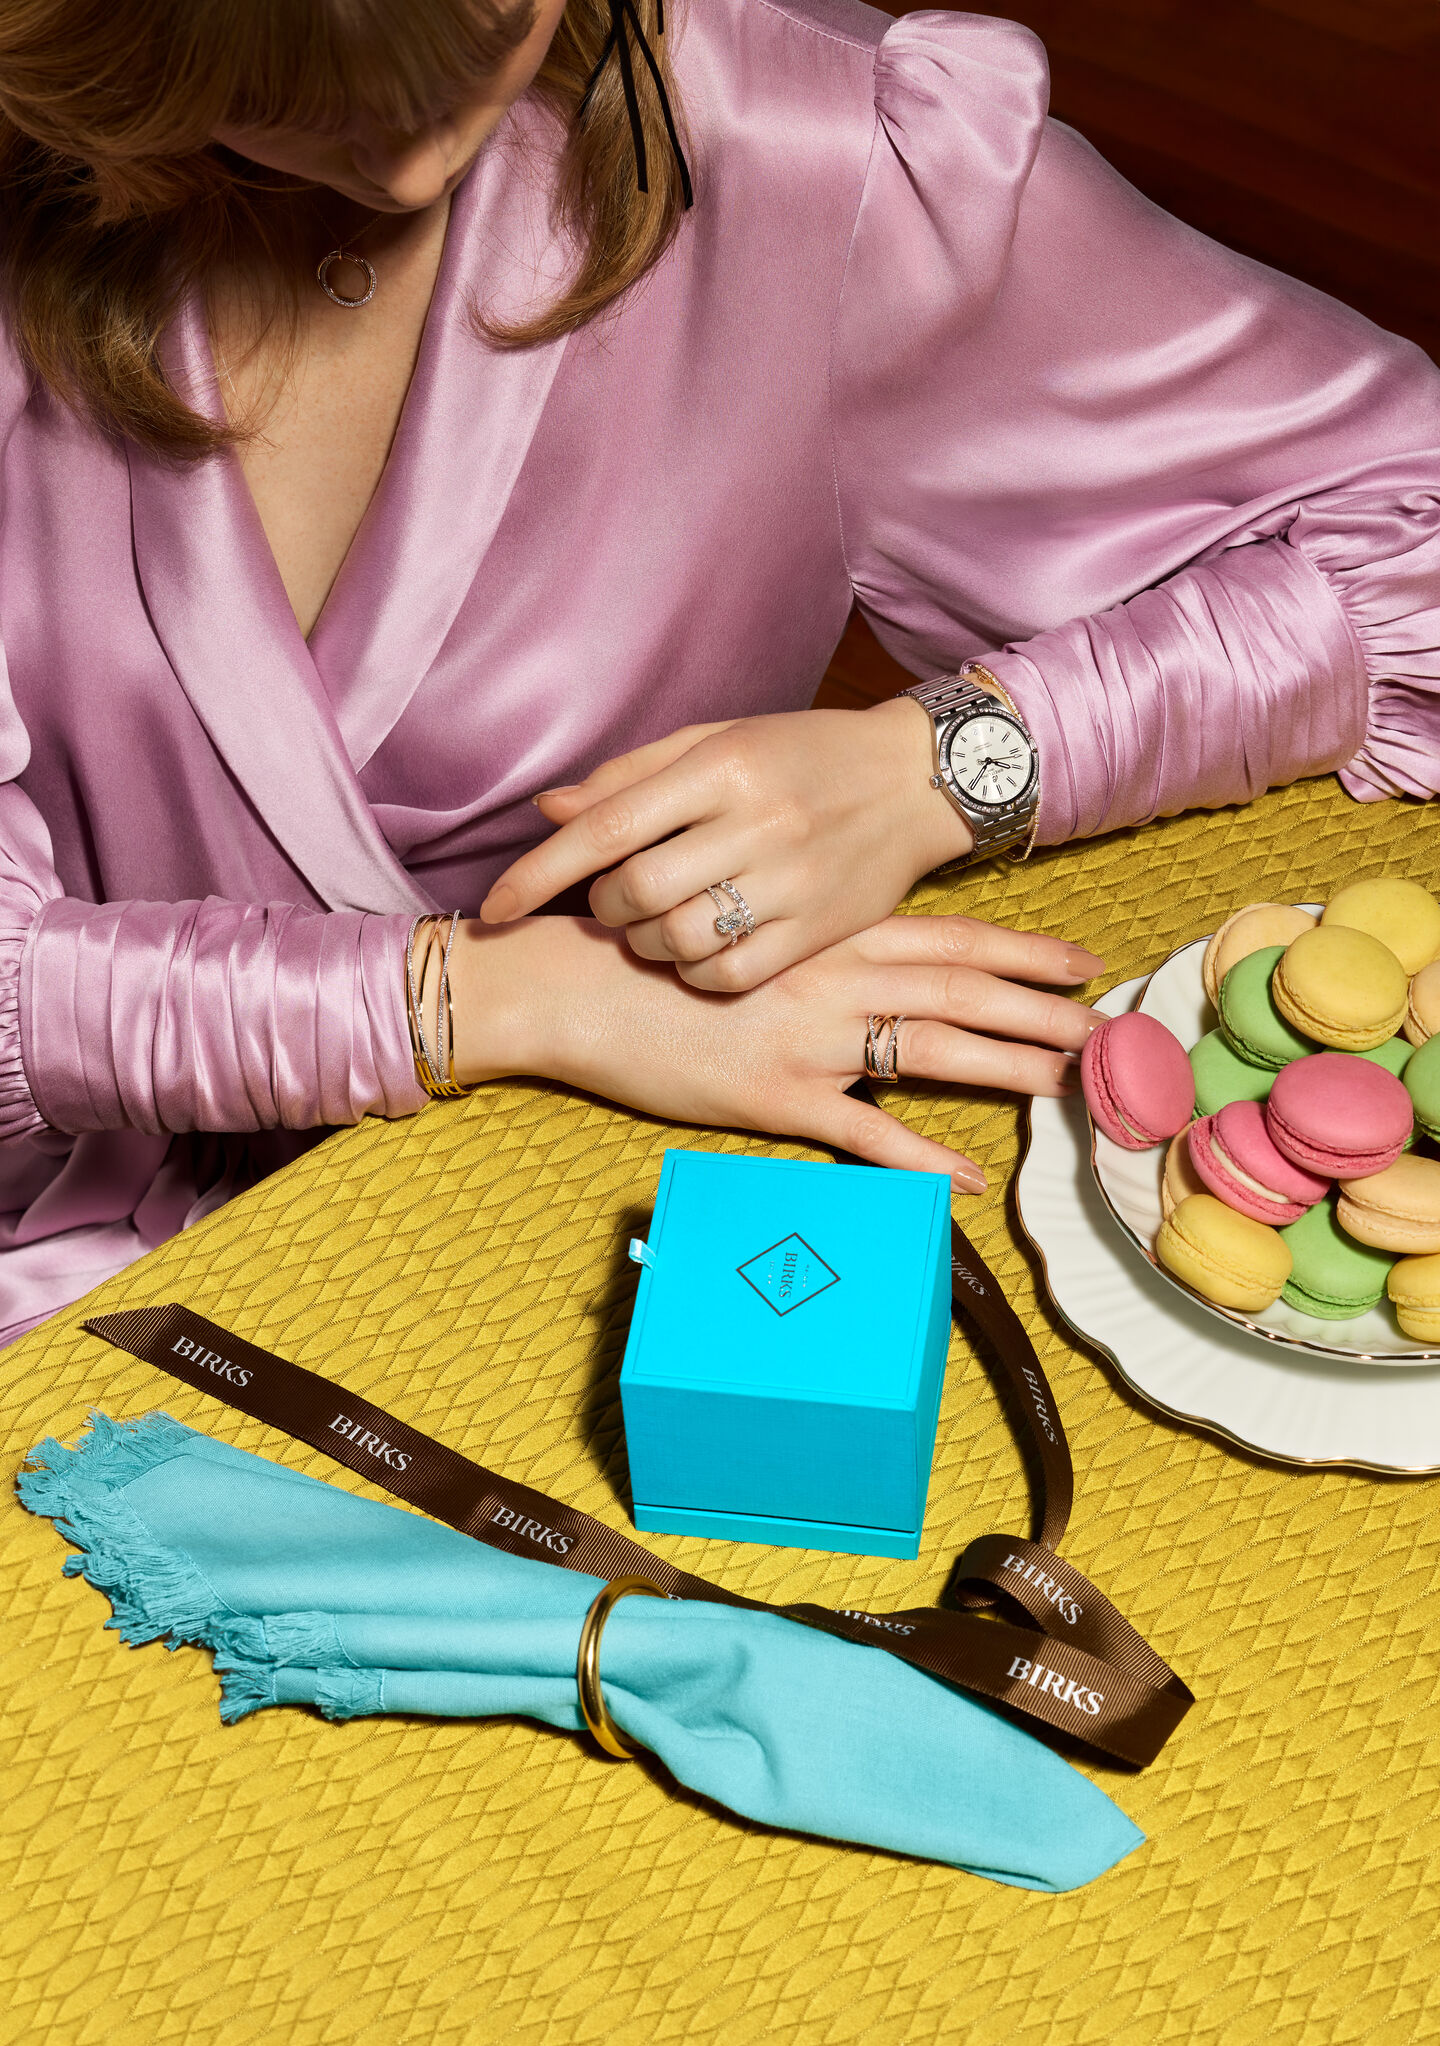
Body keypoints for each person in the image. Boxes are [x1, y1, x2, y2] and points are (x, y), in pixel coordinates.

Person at [0, 0, 1434, 1346]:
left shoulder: (817, 163)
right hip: (60, 1241)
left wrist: (946, 763)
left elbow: (1408, 533)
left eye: (489, 30)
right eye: (275, 92)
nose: (410, 151)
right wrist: (492, 1000)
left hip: (601, 1208)